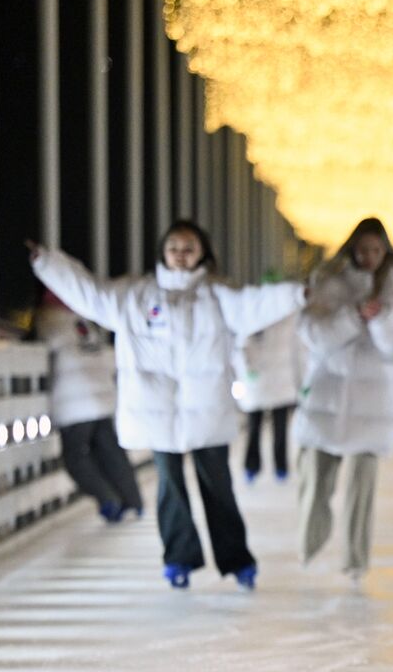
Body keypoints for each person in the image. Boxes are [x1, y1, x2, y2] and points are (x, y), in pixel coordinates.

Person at [28, 221, 307, 590]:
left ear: (202, 253)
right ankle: (179, 559)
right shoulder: (135, 295)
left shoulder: (218, 295)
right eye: (174, 246)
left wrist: (296, 293)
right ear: (162, 251)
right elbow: (90, 294)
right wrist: (48, 264)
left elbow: (256, 303)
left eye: (189, 247)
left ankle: (237, 559)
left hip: (206, 410)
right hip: (156, 409)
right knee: (170, 488)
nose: (180, 254)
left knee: (218, 487)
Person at [294, 218, 393, 582]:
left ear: (386, 254)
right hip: (326, 397)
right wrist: (352, 317)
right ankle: (309, 545)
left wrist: (381, 319)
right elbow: (313, 334)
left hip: (372, 405)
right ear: (351, 248)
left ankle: (355, 560)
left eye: (376, 250)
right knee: (315, 481)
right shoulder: (328, 284)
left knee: (361, 490)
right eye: (363, 249)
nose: (369, 257)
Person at [33, 287, 143, 523]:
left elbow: (44, 346)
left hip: (73, 402)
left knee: (75, 457)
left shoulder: (48, 320)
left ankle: (108, 499)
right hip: (101, 394)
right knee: (111, 450)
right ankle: (133, 500)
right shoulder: (83, 322)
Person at [232, 309, 300, 484]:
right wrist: (247, 370)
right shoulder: (256, 313)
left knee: (280, 427)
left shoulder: (288, 313)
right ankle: (253, 466)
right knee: (255, 427)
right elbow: (242, 347)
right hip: (259, 382)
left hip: (281, 381)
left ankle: (280, 467)